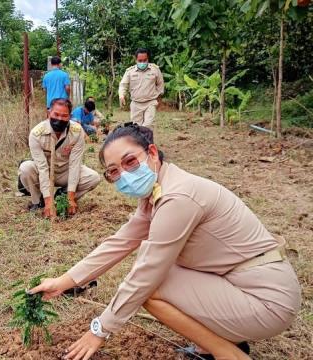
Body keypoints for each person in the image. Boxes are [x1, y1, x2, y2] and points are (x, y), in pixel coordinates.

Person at [30, 123, 301, 360]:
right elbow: (120, 241)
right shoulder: (157, 191)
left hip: (266, 300)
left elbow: (146, 275)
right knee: (158, 274)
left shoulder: (177, 197)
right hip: (241, 282)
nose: (124, 175)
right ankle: (222, 343)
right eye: (113, 171)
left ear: (152, 153)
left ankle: (227, 353)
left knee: (151, 286)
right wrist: (63, 281)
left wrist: (100, 329)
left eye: (130, 162)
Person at [19, 98, 101, 217]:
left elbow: (75, 165)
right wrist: (48, 202)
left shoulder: (77, 132)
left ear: (70, 116)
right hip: (45, 172)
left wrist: (70, 198)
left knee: (94, 177)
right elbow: (42, 168)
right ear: (48, 113)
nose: (59, 119)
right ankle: (38, 201)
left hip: (65, 172)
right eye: (56, 114)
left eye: (64, 116)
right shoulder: (36, 134)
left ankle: (62, 196)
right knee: (25, 168)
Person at [119, 48, 164, 127]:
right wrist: (122, 95)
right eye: (140, 61)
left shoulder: (155, 70)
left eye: (145, 60)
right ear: (136, 60)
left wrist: (159, 98)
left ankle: (145, 138)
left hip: (150, 102)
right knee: (136, 127)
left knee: (146, 126)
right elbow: (123, 85)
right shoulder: (130, 71)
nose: (142, 62)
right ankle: (140, 139)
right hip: (136, 104)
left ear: (148, 59)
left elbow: (160, 84)